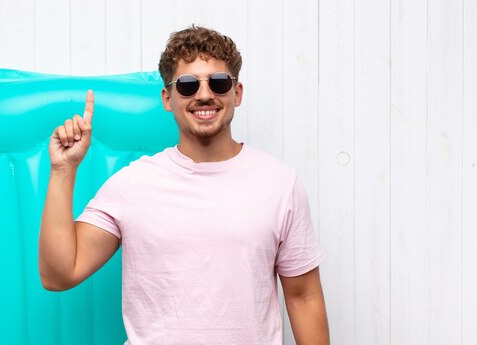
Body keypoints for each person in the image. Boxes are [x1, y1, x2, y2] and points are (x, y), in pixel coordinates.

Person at [39, 25, 329, 345]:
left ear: (237, 93)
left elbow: (303, 297)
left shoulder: (280, 183)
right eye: (188, 85)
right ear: (168, 97)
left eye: (218, 83)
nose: (204, 94)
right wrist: (63, 170)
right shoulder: (133, 184)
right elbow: (58, 275)